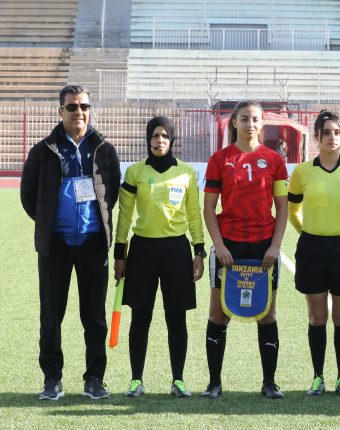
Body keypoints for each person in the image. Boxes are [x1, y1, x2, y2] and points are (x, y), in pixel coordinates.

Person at [20, 85, 120, 401]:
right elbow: (28, 195)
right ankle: (52, 380)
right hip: (56, 246)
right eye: (73, 107)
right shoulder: (43, 150)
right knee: (51, 315)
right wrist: (51, 221)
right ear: (60, 111)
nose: (79, 112)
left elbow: (111, 192)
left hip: (93, 245)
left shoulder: (104, 148)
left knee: (95, 317)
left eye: (84, 106)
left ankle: (94, 379)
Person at [114, 116, 205, 398]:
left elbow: (193, 214)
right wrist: (120, 253)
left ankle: (178, 380)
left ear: (172, 139)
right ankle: (136, 381)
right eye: (155, 136)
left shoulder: (187, 173)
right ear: (147, 139)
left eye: (165, 136)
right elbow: (126, 214)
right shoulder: (134, 172)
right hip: (142, 251)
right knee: (140, 317)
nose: (159, 140)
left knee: (176, 318)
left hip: (176, 251)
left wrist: (199, 250)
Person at [202, 101, 288, 399]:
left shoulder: (274, 160)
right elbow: (209, 208)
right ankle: (214, 383)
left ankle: (270, 383)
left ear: (262, 123)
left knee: (266, 314)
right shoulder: (219, 159)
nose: (250, 124)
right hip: (229, 245)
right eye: (244, 119)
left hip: (264, 246)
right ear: (234, 123)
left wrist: (275, 246)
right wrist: (219, 245)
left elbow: (282, 207)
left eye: (255, 119)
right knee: (219, 313)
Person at [288, 110, 340, 397]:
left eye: (336, 132)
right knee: (317, 317)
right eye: (326, 133)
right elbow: (292, 209)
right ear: (317, 138)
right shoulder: (302, 172)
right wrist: (305, 231)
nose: (332, 137)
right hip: (312, 249)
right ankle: (318, 377)